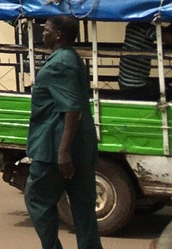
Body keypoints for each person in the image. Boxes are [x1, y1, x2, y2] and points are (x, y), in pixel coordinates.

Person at [25, 15, 102, 249]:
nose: (43, 33)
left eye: (46, 30)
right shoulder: (71, 59)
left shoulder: (61, 62)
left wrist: (63, 151)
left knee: (37, 199)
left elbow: (71, 109)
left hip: (54, 148)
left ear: (58, 35)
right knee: (83, 209)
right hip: (78, 148)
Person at [117, 21, 171, 99]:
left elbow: (160, 30)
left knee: (160, 84)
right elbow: (165, 37)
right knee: (167, 92)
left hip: (125, 81)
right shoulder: (147, 29)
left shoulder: (131, 25)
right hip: (137, 86)